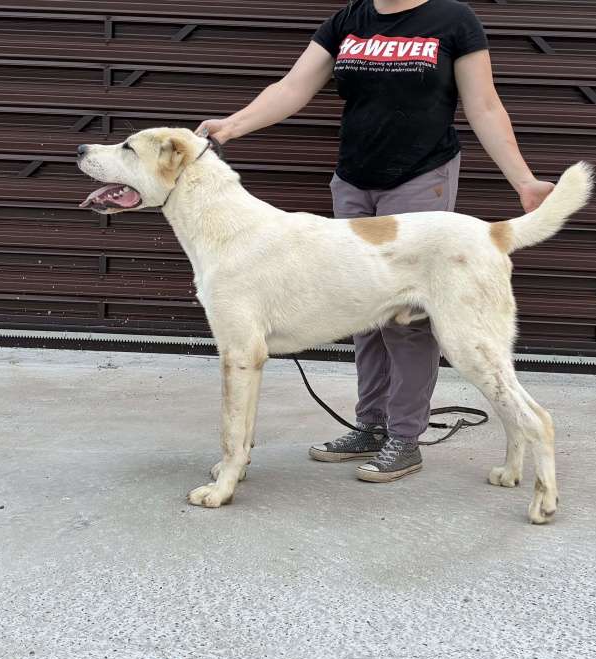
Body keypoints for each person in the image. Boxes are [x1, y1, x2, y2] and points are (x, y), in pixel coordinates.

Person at [199, 0, 555, 483]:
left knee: (409, 319)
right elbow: (292, 87)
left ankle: (404, 437)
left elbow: (484, 104)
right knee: (358, 308)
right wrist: (235, 124)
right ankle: (370, 425)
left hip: (419, 175)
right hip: (353, 180)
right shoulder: (349, 20)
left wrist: (524, 181)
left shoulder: (452, 20)